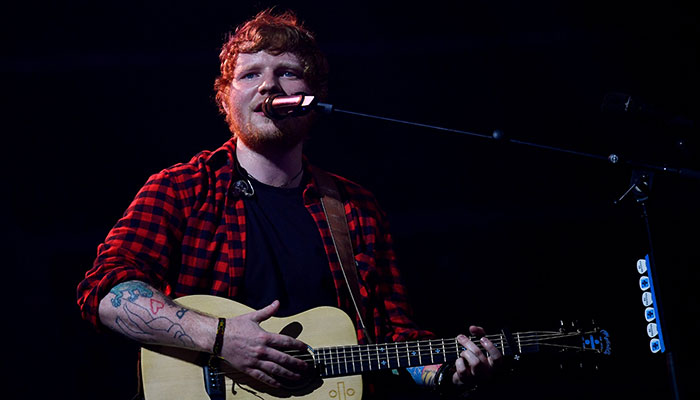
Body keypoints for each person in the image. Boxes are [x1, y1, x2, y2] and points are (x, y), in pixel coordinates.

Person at [77, 9, 501, 399]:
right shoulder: (183, 189)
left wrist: (446, 371)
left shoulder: (356, 209)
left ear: (312, 97)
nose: (268, 85)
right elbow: (106, 291)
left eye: (287, 73)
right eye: (249, 75)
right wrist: (221, 339)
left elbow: (390, 336)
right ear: (225, 99)